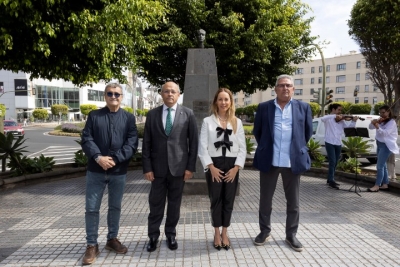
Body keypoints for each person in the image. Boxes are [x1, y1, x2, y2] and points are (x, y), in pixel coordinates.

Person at [252, 74, 312, 252]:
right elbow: (258, 131)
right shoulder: (264, 107)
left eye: (288, 85)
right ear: (276, 88)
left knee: (293, 202)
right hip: (269, 160)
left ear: (293, 89)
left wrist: (297, 149)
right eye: (281, 85)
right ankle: (264, 231)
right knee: (265, 200)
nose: (285, 88)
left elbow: (306, 133)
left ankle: (291, 235)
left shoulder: (304, 107)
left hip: (292, 161)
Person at [81, 83, 138, 265]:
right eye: (110, 93)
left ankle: (112, 239)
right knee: (91, 208)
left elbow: (132, 143)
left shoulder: (129, 118)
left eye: (117, 94)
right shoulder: (94, 116)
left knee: (115, 207)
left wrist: (114, 159)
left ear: (122, 97)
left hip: (118, 170)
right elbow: (87, 139)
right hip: (95, 170)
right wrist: (98, 157)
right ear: (105, 96)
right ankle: (91, 244)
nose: (114, 96)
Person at [142, 81, 198, 252]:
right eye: (166, 91)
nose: (169, 94)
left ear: (179, 94)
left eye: (173, 91)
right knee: (155, 204)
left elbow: (193, 143)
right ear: (161, 94)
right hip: (157, 169)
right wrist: (147, 168)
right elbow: (146, 143)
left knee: (174, 204)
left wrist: (190, 168)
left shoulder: (188, 114)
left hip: (179, 169)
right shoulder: (152, 115)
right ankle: (153, 236)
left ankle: (171, 234)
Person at [198, 88, 246, 251]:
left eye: (226, 99)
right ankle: (216, 232)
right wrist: (210, 167)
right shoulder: (207, 122)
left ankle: (225, 231)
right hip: (214, 165)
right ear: (215, 102)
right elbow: (202, 147)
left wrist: (236, 168)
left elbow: (242, 148)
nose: (224, 102)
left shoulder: (237, 122)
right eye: (220, 99)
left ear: (231, 102)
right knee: (215, 199)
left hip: (232, 165)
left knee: (228, 199)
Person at [321, 103, 359, 189]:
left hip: (338, 142)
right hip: (329, 142)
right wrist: (334, 116)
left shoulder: (341, 121)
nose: (340, 112)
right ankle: (331, 180)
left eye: (340, 110)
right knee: (332, 161)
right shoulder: (328, 118)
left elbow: (348, 130)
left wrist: (353, 121)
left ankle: (329, 179)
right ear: (333, 110)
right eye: (338, 110)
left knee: (336, 162)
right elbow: (322, 118)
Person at [367, 105, 399, 192]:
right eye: (380, 113)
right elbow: (370, 127)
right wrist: (373, 122)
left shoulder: (391, 122)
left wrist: (377, 126)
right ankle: (385, 184)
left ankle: (377, 185)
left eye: (383, 112)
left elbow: (385, 133)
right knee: (383, 165)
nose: (381, 114)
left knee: (379, 166)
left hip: (386, 145)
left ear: (388, 112)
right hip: (379, 144)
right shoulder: (380, 120)